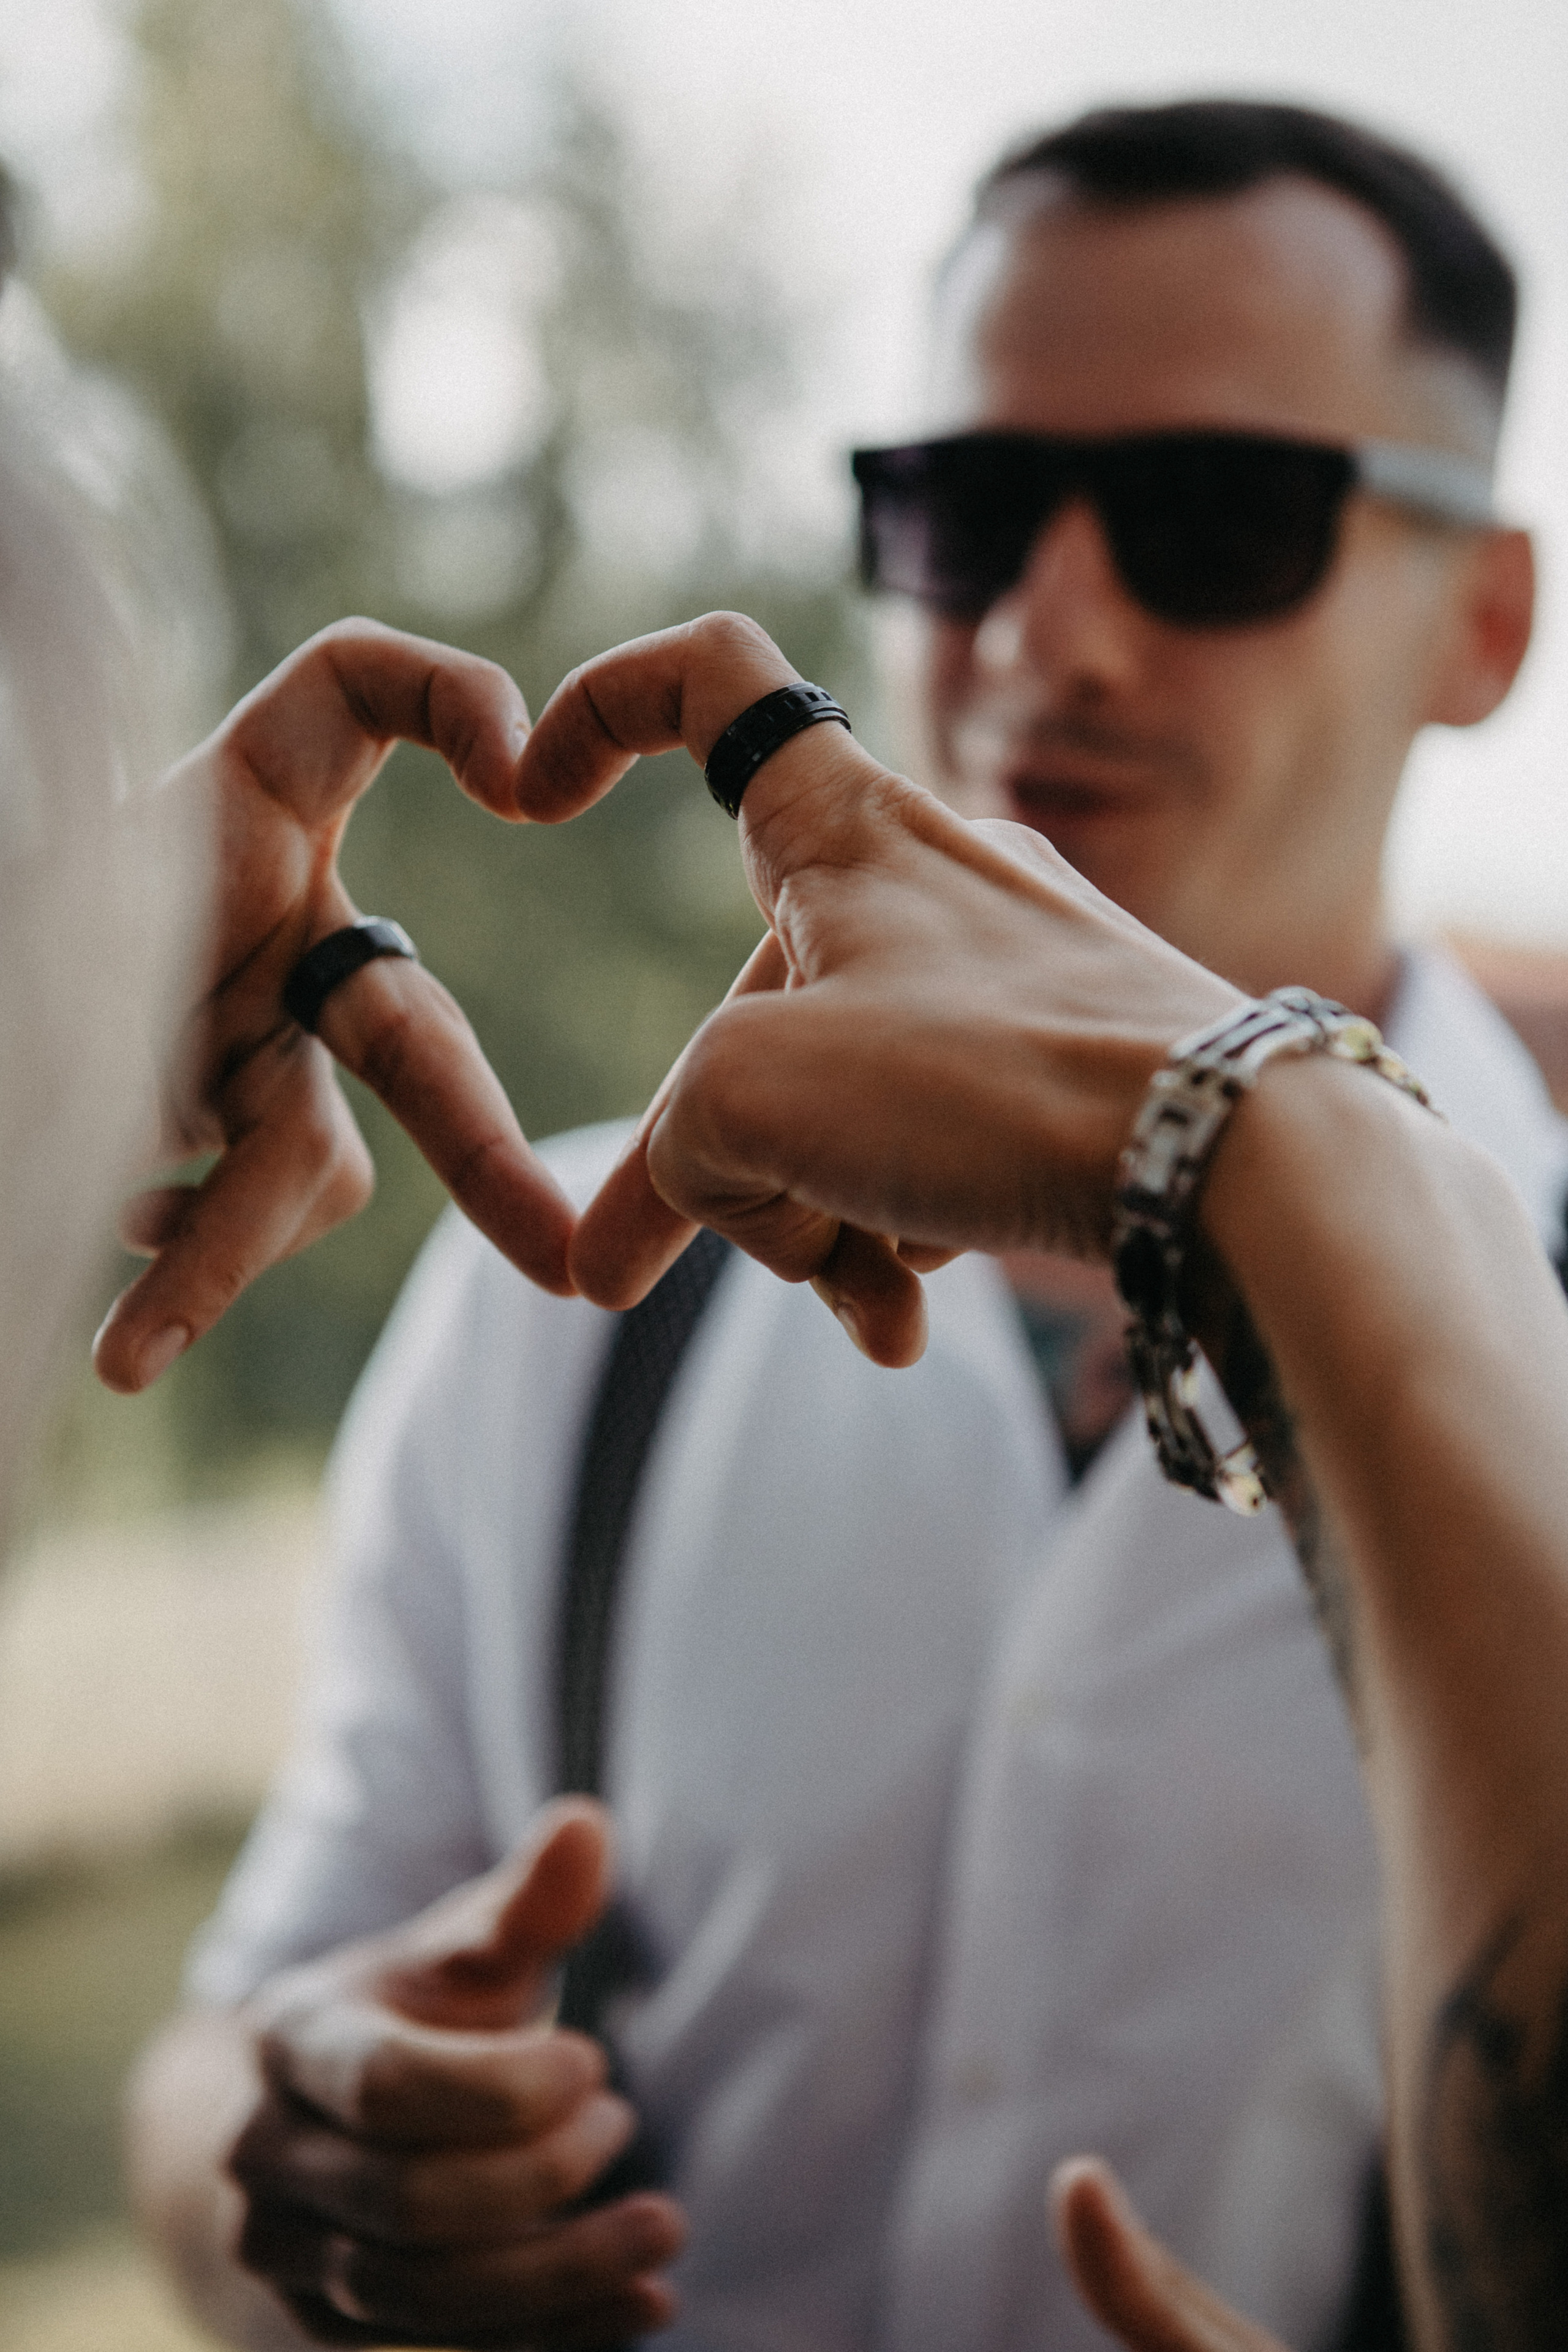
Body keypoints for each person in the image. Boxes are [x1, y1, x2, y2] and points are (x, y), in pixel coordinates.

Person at [127, 102, 1555, 2351]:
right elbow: (233, 2043)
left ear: (1485, 620)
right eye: (966, 511)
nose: (1050, 631)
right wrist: (300, 2159)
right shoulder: (568, 1289)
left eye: (1215, 520)